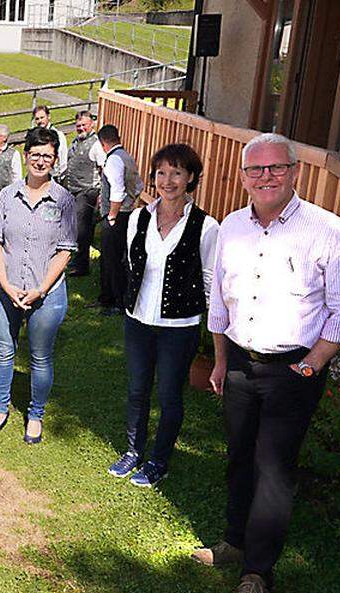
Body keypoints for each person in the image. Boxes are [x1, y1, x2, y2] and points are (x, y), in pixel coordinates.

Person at [194, 133, 340, 593]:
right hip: (241, 365)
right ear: (243, 176)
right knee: (239, 456)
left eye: (276, 168)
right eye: (256, 169)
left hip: (295, 370)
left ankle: (257, 577)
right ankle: (234, 540)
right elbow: (221, 301)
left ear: (295, 172)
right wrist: (221, 361)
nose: (266, 177)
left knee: (273, 473)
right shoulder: (232, 227)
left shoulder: (329, 231)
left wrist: (309, 366)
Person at [106, 143, 219, 488]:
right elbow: (132, 263)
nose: (168, 180)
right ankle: (132, 451)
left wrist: (212, 333)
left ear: (190, 179)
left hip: (178, 327)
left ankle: (158, 460)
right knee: (137, 389)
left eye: (177, 173)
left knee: (170, 395)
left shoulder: (207, 226)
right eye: (161, 173)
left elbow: (210, 279)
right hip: (138, 321)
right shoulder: (139, 218)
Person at [0, 126, 77, 444]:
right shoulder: (8, 196)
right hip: (4, 288)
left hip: (46, 294)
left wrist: (41, 289)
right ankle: (0, 408)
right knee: (3, 350)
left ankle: (35, 414)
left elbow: (65, 249)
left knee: (40, 356)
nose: (40, 161)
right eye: (34, 154)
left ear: (54, 159)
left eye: (46, 156)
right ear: (25, 156)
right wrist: (7, 285)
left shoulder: (63, 200)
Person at [95, 124, 142, 316]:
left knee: (113, 260)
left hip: (116, 215)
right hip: (127, 213)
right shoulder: (127, 156)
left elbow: (117, 191)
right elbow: (138, 186)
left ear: (103, 143)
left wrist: (112, 216)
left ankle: (119, 302)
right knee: (112, 258)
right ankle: (107, 297)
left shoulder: (113, 160)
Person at [62, 110, 100, 276]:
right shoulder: (75, 142)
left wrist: (100, 195)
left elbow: (103, 169)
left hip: (88, 191)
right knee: (71, 226)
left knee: (81, 229)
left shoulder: (96, 144)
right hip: (73, 190)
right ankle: (74, 261)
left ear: (91, 124)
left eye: (84, 125)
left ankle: (81, 266)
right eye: (78, 126)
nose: (81, 128)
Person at [30, 105, 66, 180]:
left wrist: (60, 176)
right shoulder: (34, 136)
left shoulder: (58, 135)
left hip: (54, 176)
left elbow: (63, 158)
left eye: (42, 117)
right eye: (37, 119)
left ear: (48, 117)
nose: (40, 121)